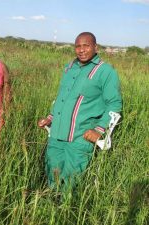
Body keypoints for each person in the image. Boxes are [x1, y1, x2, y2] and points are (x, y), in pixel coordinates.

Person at [38, 32, 122, 191]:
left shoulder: (105, 71)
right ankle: (50, 210)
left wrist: (99, 130)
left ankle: (66, 213)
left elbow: (114, 104)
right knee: (52, 176)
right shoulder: (70, 67)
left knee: (71, 184)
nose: (81, 50)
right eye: (78, 46)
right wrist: (50, 118)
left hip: (80, 137)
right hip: (56, 134)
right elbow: (62, 97)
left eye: (86, 46)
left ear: (95, 47)